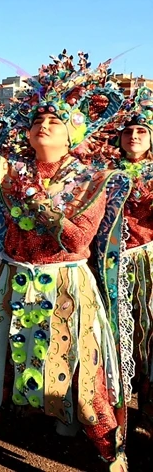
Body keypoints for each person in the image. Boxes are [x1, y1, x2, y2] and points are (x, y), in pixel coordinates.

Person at [0, 51, 131, 471]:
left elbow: (78, 238)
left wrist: (44, 208)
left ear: (73, 135)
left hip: (65, 284)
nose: (44, 124)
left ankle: (108, 444)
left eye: (56, 121)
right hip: (12, 275)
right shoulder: (13, 172)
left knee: (82, 368)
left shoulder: (94, 179)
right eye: (38, 120)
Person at [109, 86, 153, 427]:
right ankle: (114, 407)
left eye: (141, 131)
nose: (134, 136)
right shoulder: (105, 171)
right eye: (128, 131)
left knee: (149, 334)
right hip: (110, 263)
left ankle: (149, 405)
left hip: (148, 262)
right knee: (114, 334)